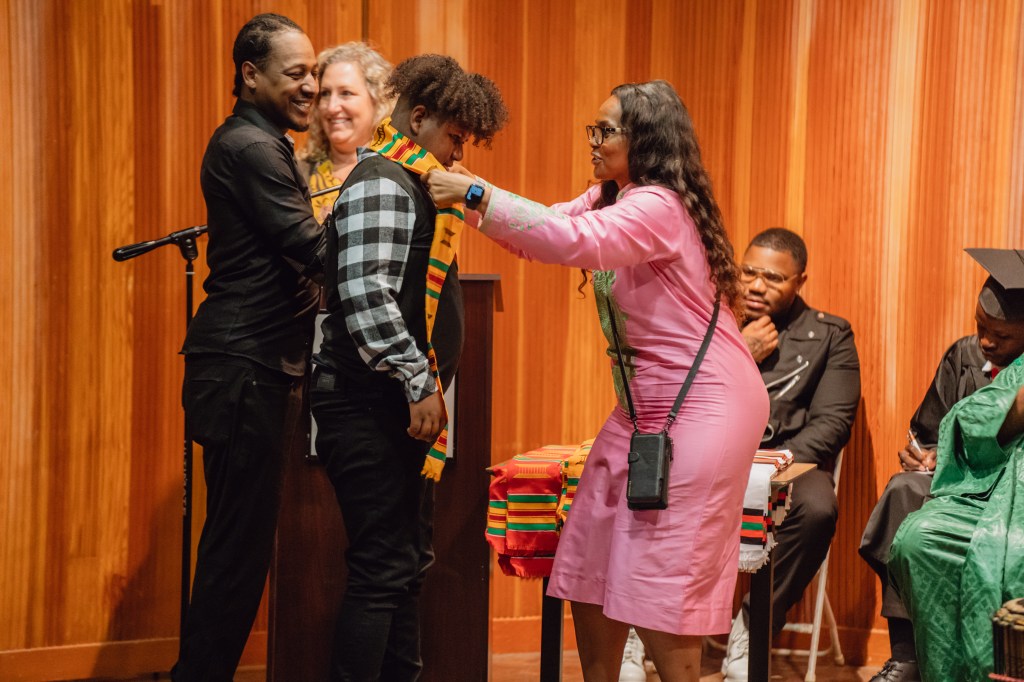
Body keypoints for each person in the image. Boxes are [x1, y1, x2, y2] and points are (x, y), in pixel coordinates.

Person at [426, 79, 769, 682]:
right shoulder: (613, 196)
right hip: (640, 411)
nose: (594, 139)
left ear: (645, 139)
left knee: (662, 571)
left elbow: (572, 241)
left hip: (704, 406)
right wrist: (471, 198)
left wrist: (476, 191)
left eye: (606, 130)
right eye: (595, 128)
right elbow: (544, 229)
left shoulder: (658, 204)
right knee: (588, 552)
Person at [310, 54, 507, 681]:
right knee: (382, 569)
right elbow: (366, 294)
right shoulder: (384, 181)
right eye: (455, 137)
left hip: (390, 407)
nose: (458, 154)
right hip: (367, 404)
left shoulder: (411, 179)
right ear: (418, 118)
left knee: (405, 565)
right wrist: (419, 380)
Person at [174, 13, 324, 681]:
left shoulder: (262, 142)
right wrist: (385, 226)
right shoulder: (253, 148)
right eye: (296, 73)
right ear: (250, 75)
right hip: (245, 366)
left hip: (251, 364)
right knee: (236, 552)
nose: (311, 86)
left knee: (237, 548)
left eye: (314, 72)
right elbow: (312, 249)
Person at [858, 257, 1024, 682]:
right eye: (980, 326)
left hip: (1006, 495)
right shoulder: (965, 354)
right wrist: (928, 454)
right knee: (903, 490)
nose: (985, 341)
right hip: (954, 485)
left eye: (1001, 335)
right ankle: (907, 656)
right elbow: (926, 430)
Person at [721, 227, 861, 681]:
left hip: (790, 463)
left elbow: (832, 425)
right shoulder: (712, 322)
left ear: (800, 281)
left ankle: (752, 627)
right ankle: (642, 629)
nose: (757, 285)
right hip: (714, 455)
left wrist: (769, 468)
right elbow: (680, 398)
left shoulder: (831, 335)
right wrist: (740, 350)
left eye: (774, 278)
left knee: (818, 508)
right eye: (749, 272)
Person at [297, 42, 393, 222]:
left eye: (346, 93)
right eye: (325, 94)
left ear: (377, 100)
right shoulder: (296, 172)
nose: (332, 107)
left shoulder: (400, 171)